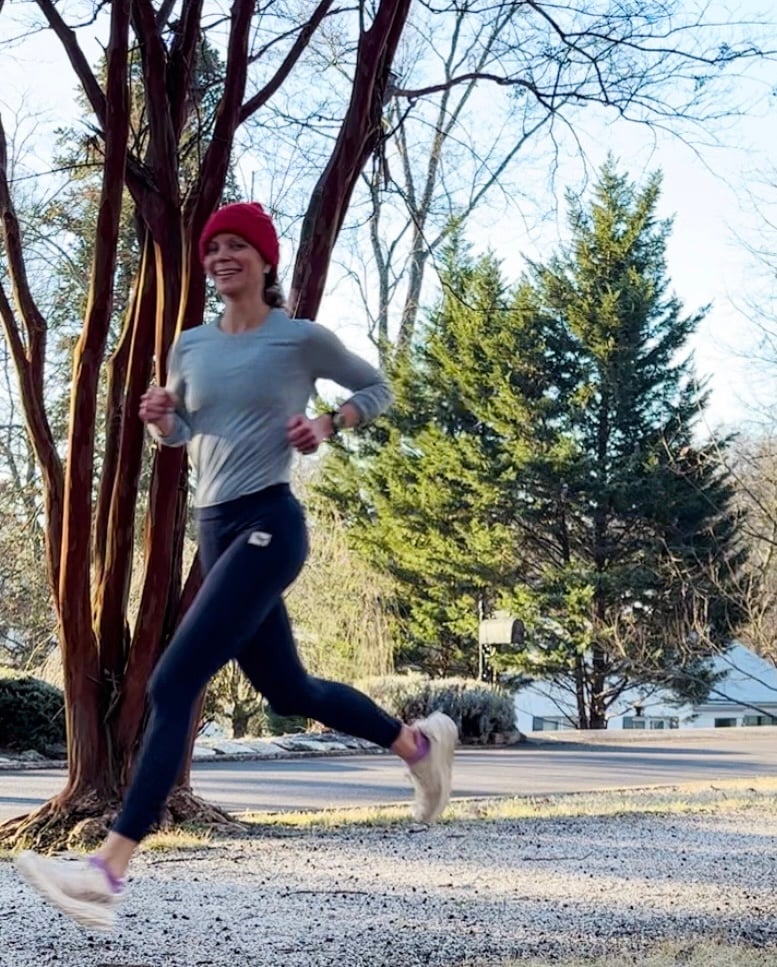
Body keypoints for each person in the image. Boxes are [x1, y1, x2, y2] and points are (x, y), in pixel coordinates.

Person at [15, 202, 458, 932]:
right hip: (215, 528)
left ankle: (105, 870)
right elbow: (182, 434)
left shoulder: (299, 339)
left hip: (269, 522)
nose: (221, 257)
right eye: (212, 247)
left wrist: (325, 423)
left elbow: (375, 388)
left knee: (172, 680)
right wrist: (163, 419)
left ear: (263, 259)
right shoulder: (189, 345)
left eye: (235, 246)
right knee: (287, 685)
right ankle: (417, 743)